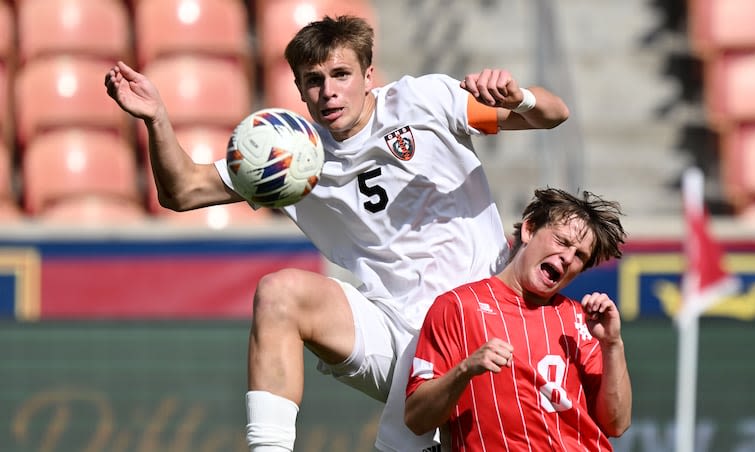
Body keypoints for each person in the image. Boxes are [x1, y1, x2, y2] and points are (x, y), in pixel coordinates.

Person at [105, 14, 569, 452]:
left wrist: (519, 98)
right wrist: (156, 119)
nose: (329, 91)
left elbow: (552, 114)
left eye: (341, 74)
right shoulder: (290, 154)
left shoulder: (425, 101)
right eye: (314, 80)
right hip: (392, 332)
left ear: (369, 75)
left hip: (477, 327)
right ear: (300, 90)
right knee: (279, 293)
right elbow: (183, 191)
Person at [405, 188, 631, 451]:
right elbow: (416, 419)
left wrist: (612, 344)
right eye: (562, 241)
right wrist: (465, 370)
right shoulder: (457, 307)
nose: (568, 258)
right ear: (529, 229)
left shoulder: (583, 323)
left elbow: (617, 423)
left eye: (580, 255)